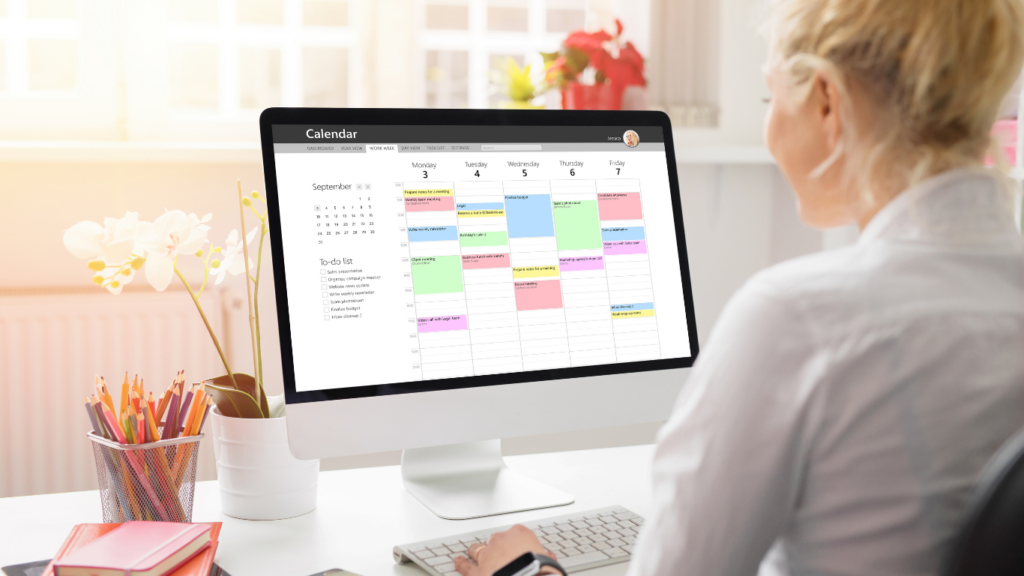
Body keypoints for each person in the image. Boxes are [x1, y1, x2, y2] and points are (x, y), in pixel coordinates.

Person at [453, 0, 1024, 575]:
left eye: (770, 98)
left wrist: (531, 570)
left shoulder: (800, 318)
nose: (771, 126)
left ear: (826, 100)